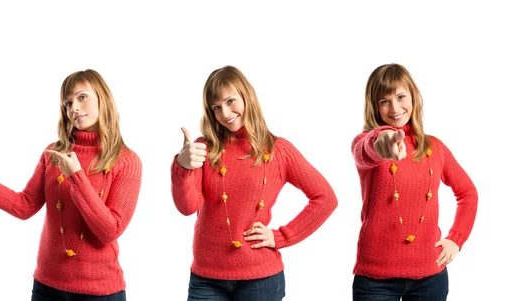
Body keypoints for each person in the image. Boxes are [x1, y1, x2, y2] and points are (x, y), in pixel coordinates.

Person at [0, 69, 142, 300]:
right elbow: (24, 206)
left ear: (103, 97)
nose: (74, 108)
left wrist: (77, 177)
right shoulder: (54, 153)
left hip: (100, 293)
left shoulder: (126, 161)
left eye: (82, 97)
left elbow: (109, 231)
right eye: (68, 103)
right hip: (47, 287)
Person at [171, 65, 338, 300]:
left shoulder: (279, 150)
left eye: (230, 101)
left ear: (247, 95)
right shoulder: (204, 148)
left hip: (261, 280)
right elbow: (187, 207)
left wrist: (281, 236)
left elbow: (326, 198)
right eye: (216, 107)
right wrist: (183, 166)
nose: (225, 113)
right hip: (206, 279)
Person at [351, 63, 478, 300]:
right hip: (375, 282)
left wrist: (456, 239)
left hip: (430, 279)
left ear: (413, 98)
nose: (395, 107)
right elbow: (367, 149)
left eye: (401, 97)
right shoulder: (366, 141)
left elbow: (468, 192)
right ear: (374, 106)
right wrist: (383, 140)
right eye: (384, 101)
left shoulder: (435, 148)